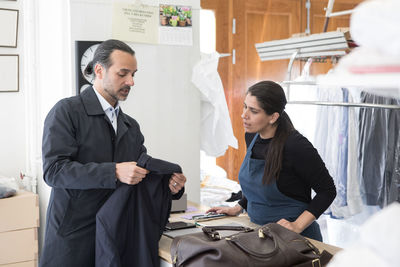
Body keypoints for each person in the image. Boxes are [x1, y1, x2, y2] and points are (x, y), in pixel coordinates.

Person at [40, 39, 187, 266]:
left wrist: (171, 187)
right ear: (99, 70)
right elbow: (54, 171)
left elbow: (140, 175)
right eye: (123, 73)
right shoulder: (67, 112)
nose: (131, 81)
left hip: (115, 234)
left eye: (134, 74)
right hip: (73, 238)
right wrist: (114, 172)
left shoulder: (131, 127)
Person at [207, 81, 336, 241]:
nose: (244, 115)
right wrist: (238, 207)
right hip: (259, 232)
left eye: (253, 111)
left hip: (295, 240)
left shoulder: (296, 146)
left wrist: (297, 225)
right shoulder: (252, 136)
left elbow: (327, 190)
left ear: (273, 117)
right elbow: (258, 185)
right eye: (245, 106)